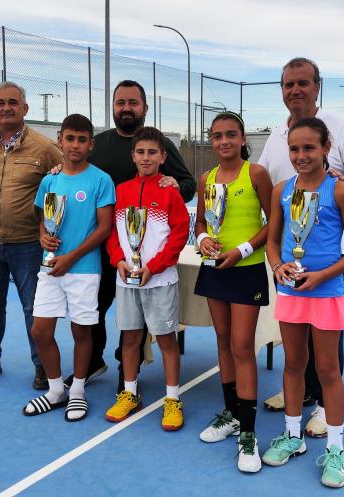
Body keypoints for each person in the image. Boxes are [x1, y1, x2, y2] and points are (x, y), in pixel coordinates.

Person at [258, 57, 344, 439]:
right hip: (289, 268)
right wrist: (274, 261)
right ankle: (299, 412)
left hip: (328, 264)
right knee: (295, 356)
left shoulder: (341, 129)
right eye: (288, 84)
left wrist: (342, 188)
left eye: (302, 83)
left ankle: (325, 411)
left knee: (327, 360)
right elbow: (266, 188)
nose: (295, 90)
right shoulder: (277, 136)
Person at [63, 80, 196, 393]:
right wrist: (60, 167)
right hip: (102, 247)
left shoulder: (161, 145)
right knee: (94, 310)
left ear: (144, 109)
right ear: (113, 107)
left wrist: (172, 186)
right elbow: (75, 169)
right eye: (120, 102)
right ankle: (93, 361)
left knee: (134, 325)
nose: (126, 108)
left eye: (132, 103)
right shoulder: (98, 144)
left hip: (148, 259)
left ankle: (128, 374)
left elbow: (187, 184)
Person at [261, 117, 344, 488]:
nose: (301, 155)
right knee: (293, 365)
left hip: (326, 294)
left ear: (326, 148)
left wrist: (323, 276)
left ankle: (336, 449)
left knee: (327, 371)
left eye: (309, 148)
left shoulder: (339, 190)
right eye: (294, 149)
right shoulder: (280, 191)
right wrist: (278, 266)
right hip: (291, 292)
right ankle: (293, 436)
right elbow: (272, 242)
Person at [0, 81, 63, 390]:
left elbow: (61, 189)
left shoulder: (45, 148)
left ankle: (43, 365)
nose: (7, 107)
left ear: (24, 109)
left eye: (13, 103)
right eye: (1, 102)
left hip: (28, 246)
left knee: (35, 308)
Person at [194, 112, 273, 473]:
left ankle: (249, 433)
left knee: (242, 347)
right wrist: (204, 239)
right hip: (214, 270)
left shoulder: (255, 174)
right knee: (223, 342)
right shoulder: (205, 179)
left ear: (243, 139)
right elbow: (200, 221)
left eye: (230, 135)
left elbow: (274, 223)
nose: (223, 141)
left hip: (246, 271)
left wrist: (240, 251)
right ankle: (232, 415)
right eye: (217, 136)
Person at [22, 114, 115, 421]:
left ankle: (77, 391)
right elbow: (43, 220)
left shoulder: (101, 180)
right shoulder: (50, 179)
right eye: (70, 138)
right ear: (60, 139)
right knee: (40, 330)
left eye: (82, 139)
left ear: (91, 144)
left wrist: (71, 257)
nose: (75, 145)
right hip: (50, 268)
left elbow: (103, 229)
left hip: (84, 270)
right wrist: (42, 237)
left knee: (81, 332)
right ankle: (55, 391)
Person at [104, 126, 190, 430]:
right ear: (133, 155)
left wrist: (154, 266)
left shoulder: (170, 191)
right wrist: (118, 261)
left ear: (163, 156)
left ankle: (172, 398)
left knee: (167, 340)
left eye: (152, 152)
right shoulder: (121, 191)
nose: (146, 157)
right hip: (126, 280)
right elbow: (113, 234)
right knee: (129, 338)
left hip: (160, 280)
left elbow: (179, 235)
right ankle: (130, 393)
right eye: (140, 152)